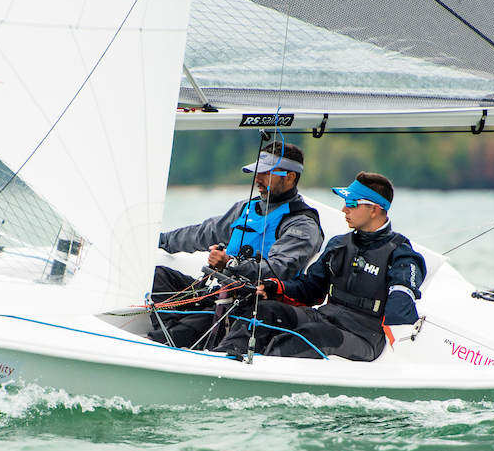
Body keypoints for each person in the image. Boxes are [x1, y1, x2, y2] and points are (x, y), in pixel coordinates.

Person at [214, 171, 426, 362]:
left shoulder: (402, 254)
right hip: (325, 317)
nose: (344, 208)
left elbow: (402, 308)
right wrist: (276, 287)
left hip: (364, 335)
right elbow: (310, 290)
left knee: (311, 334)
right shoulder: (338, 244)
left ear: (374, 210)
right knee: (263, 311)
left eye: (351, 203)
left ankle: (256, 373)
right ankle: (219, 361)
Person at [148, 141, 323, 349]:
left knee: (180, 334)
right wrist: (155, 241)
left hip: (248, 304)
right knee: (155, 276)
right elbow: (201, 232)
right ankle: (176, 334)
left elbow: (279, 268)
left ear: (290, 177)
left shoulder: (302, 224)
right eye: (257, 172)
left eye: (266, 173)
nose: (257, 179)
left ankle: (178, 336)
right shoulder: (246, 208)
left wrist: (230, 264)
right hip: (216, 292)